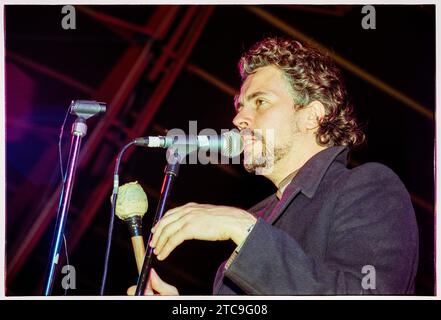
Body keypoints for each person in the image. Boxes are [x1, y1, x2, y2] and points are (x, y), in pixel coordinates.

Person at [128, 37, 419, 295]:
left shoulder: (367, 186)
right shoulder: (259, 220)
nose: (238, 119)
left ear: (312, 115)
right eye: (240, 106)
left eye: (260, 102)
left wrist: (245, 229)